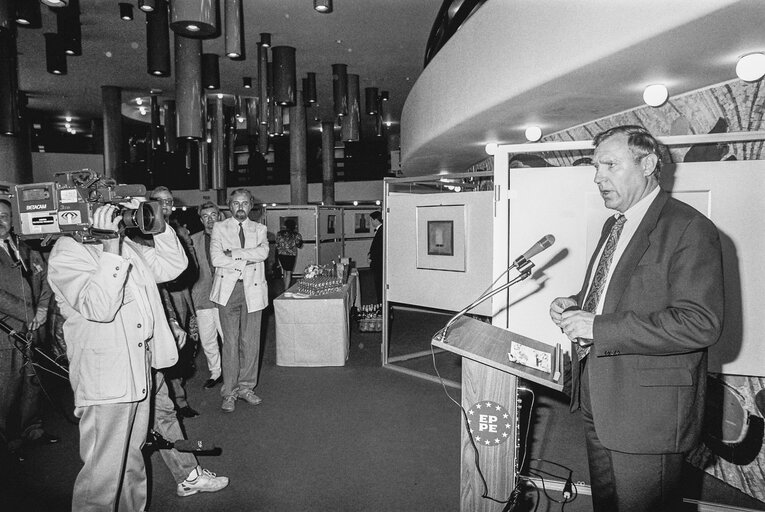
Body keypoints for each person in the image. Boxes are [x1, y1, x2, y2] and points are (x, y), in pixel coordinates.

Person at [549, 125, 724, 512]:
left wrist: (596, 327)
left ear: (647, 164)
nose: (598, 176)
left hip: (648, 412)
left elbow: (699, 322)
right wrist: (574, 304)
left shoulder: (690, 228)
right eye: (596, 167)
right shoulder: (615, 224)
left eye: (610, 164)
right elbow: (613, 294)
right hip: (600, 393)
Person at [47, 201, 188, 510]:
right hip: (106, 375)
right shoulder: (67, 250)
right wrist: (110, 245)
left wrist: (159, 225)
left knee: (132, 462)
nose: (118, 215)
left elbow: (173, 265)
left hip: (138, 367)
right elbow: (98, 307)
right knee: (103, 475)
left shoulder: (128, 245)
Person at [0, 199, 58, 464]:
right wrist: (29, 315)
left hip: (34, 329)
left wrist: (43, 310)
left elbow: (44, 278)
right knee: (7, 389)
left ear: (13, 220)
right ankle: (7, 441)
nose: (0, 220)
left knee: (33, 382)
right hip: (7, 333)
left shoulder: (25, 249)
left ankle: (32, 430)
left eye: (4, 216)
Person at [210, 189, 269, 413]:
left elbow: (263, 254)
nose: (240, 207)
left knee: (251, 342)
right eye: (236, 203)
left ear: (251, 205)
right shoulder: (219, 227)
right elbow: (216, 259)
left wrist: (232, 253)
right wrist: (248, 254)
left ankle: (246, 388)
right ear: (229, 206)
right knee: (231, 343)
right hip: (228, 292)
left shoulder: (260, 229)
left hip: (253, 292)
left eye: (245, 203)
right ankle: (229, 392)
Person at [144, 186, 200, 419]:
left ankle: (179, 400)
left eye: (169, 201)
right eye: (160, 201)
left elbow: (190, 266)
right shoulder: (141, 233)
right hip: (154, 295)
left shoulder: (178, 230)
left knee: (179, 346)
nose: (166, 205)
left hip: (178, 295)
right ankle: (159, 404)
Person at [190, 201, 224, 389]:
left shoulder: (229, 237)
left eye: (213, 215)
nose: (210, 220)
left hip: (224, 297)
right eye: (206, 216)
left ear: (219, 216)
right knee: (208, 339)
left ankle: (232, 371)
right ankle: (215, 372)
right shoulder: (193, 240)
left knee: (227, 338)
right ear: (201, 219)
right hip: (201, 298)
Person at [275, 218, 303, 290]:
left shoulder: (279, 234)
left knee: (284, 271)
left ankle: (285, 287)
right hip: (291, 255)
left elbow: (277, 245)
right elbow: (299, 246)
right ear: (294, 226)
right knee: (289, 272)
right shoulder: (296, 235)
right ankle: (286, 289)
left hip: (281, 255)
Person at [368, 211, 383, 303]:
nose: (371, 222)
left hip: (379, 264)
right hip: (378, 263)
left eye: (371, 220)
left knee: (379, 284)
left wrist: (372, 258)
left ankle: (380, 304)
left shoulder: (381, 231)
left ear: (376, 220)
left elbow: (379, 249)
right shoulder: (380, 230)